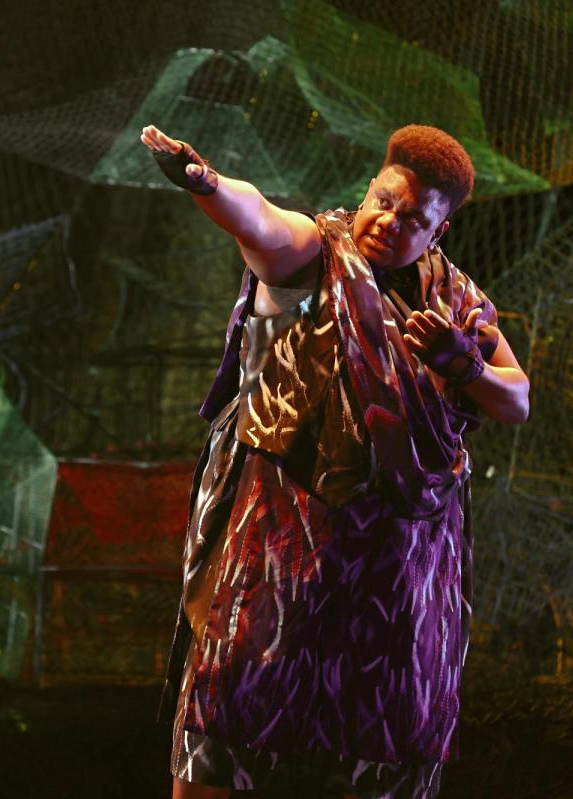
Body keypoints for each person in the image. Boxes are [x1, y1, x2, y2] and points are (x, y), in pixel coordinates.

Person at [141, 123, 530, 798]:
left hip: (394, 566)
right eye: (384, 199)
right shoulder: (316, 252)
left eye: (413, 219)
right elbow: (259, 221)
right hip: (283, 542)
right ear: (368, 188)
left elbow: (516, 397)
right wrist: (205, 182)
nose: (388, 221)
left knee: (377, 736)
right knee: (228, 712)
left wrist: (464, 365)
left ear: (437, 234)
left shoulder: (456, 301)